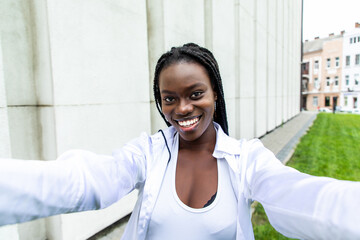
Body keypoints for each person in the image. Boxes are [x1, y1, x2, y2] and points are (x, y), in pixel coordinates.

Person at [0, 43, 360, 240]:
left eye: (195, 93)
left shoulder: (246, 159)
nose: (182, 108)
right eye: (169, 98)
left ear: (215, 94)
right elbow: (88, 182)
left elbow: (305, 198)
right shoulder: (149, 153)